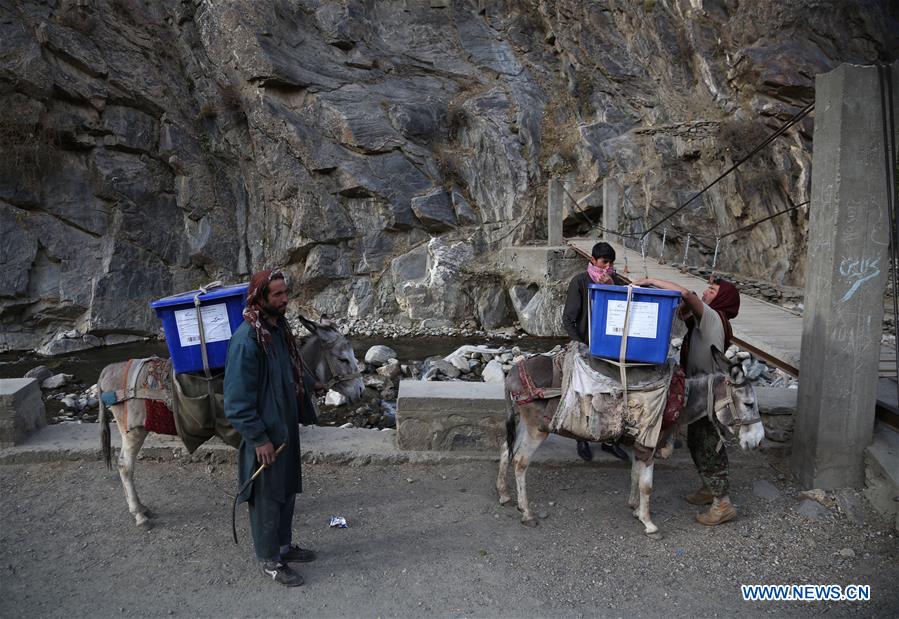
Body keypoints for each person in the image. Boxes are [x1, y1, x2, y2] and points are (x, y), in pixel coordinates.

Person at [224, 269, 316, 587]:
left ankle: (284, 546)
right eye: (277, 294)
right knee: (267, 496)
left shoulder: (277, 330)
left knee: (287, 489)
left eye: (285, 292)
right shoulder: (247, 340)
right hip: (266, 435)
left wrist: (310, 385)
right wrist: (259, 438)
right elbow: (236, 400)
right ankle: (270, 560)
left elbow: (288, 371)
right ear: (259, 298)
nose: (285, 299)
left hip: (285, 429)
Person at [632, 275, 741, 526]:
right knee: (696, 441)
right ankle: (709, 487)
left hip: (709, 395)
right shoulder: (709, 319)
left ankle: (722, 504)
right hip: (701, 391)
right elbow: (683, 312)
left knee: (709, 444)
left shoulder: (713, 316)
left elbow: (685, 294)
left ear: (723, 298)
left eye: (712, 290)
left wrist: (650, 281)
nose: (707, 291)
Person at [561, 241, 629, 463]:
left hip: (611, 348)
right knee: (585, 394)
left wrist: (612, 287)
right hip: (586, 346)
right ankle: (582, 438)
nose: (608, 267)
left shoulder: (617, 281)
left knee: (613, 394)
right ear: (593, 260)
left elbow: (624, 309)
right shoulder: (580, 281)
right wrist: (580, 345)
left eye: (611, 263)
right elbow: (569, 317)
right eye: (604, 262)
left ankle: (610, 440)